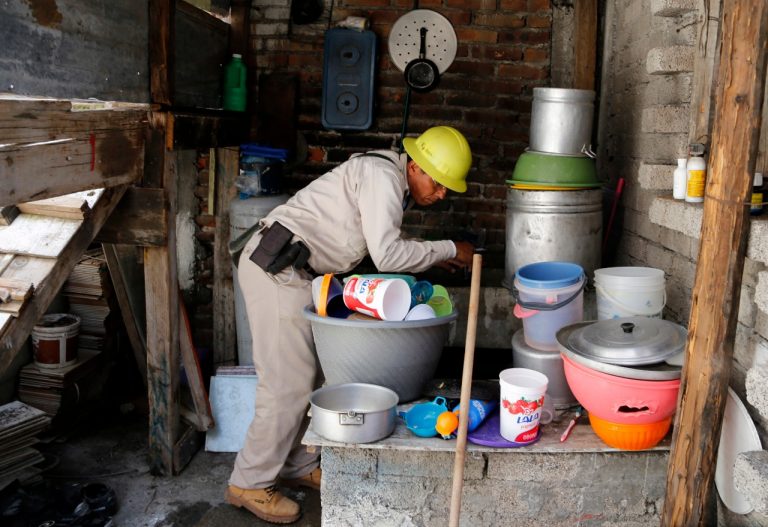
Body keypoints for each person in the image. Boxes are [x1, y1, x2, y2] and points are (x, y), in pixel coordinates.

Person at [225, 126, 475, 524]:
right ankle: (249, 482)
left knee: (312, 374)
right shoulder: (383, 177)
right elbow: (388, 254)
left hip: (295, 271)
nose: (442, 194)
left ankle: (297, 465)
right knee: (287, 382)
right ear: (415, 166)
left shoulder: (389, 178)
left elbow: (386, 240)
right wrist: (447, 248)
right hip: (277, 269)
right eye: (439, 183)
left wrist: (433, 255)